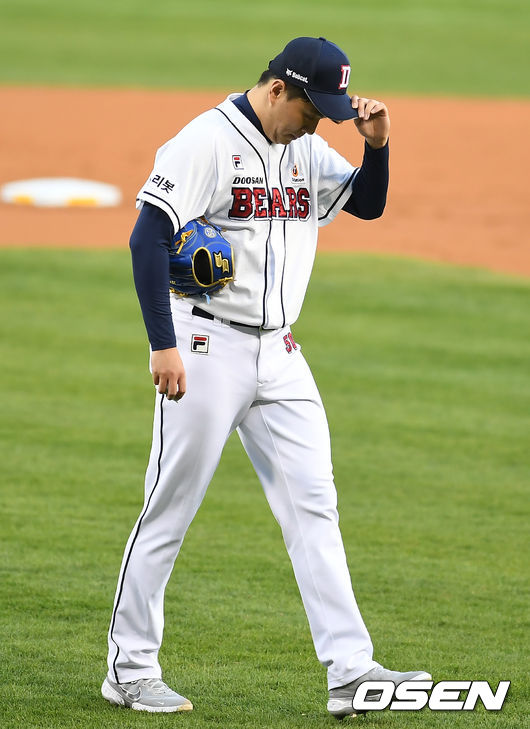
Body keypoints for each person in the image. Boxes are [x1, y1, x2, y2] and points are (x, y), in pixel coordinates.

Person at [101, 36, 431, 719]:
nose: (319, 123)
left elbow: (365, 205)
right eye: (314, 109)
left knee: (315, 505)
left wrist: (378, 144)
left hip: (280, 356)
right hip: (204, 346)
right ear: (277, 88)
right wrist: (162, 345)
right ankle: (129, 670)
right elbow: (147, 237)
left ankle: (352, 671)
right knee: (170, 504)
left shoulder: (304, 147)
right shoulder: (204, 141)